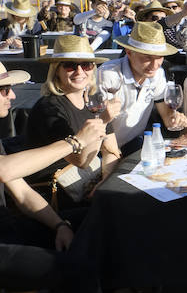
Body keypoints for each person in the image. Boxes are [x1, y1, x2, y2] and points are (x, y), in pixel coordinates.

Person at [0, 54, 118, 293]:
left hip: (4, 231)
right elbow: (3, 170)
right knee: (76, 268)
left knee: (101, 218)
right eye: (4, 89)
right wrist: (75, 141)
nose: (13, 95)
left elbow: (23, 192)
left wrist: (59, 225)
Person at [27, 35, 122, 198]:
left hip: (89, 182)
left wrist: (104, 183)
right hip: (57, 192)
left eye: (86, 65)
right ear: (56, 70)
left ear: (93, 69)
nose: (79, 71)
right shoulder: (49, 109)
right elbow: (81, 161)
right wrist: (103, 121)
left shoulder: (94, 101)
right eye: (70, 66)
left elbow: (111, 150)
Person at [105, 21, 187, 153]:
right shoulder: (108, 75)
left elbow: (168, 119)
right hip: (102, 150)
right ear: (129, 52)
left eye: (159, 57)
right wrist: (113, 157)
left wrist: (175, 119)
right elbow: (98, 125)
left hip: (132, 145)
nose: (155, 65)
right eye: (147, 57)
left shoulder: (158, 74)